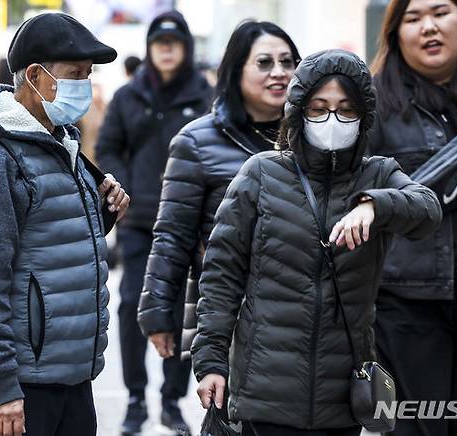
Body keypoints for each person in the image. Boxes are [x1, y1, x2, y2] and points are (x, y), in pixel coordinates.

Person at [192, 49, 443, 436]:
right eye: (318, 108)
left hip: (344, 394)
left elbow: (428, 211)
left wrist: (375, 205)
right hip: (266, 391)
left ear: (363, 116)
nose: (332, 119)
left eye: (346, 109)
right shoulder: (261, 173)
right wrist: (210, 361)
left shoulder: (377, 174)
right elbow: (221, 274)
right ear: (298, 112)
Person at [0, 12, 129, 436]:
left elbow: (47, 246)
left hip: (69, 376)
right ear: (34, 75)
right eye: (74, 74)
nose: (84, 85)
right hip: (22, 387)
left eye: (88, 74)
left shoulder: (59, 141)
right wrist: (0, 386)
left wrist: (101, 211)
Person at [368, 1, 457, 435]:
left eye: (440, 12)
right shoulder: (373, 104)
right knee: (416, 427)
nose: (428, 27)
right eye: (412, 19)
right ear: (395, 33)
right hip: (403, 304)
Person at [137, 18, 300, 392]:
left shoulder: (313, 136)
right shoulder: (197, 142)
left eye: (288, 62)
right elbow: (172, 235)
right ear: (235, 70)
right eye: (264, 63)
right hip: (230, 311)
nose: (279, 73)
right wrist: (159, 312)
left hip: (304, 311)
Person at [94, 10, 212, 434]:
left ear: (185, 48)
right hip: (140, 222)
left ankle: (172, 400)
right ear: (148, 48)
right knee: (130, 306)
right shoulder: (130, 96)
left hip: (190, 226)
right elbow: (108, 148)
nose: (166, 51)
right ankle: (134, 397)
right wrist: (123, 190)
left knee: (185, 310)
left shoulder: (204, 96)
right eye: (159, 44)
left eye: (174, 44)